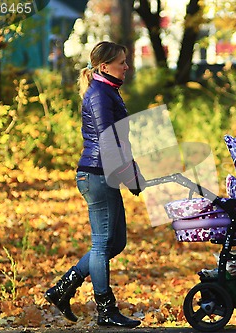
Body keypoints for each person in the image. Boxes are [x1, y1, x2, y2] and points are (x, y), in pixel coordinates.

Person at [44, 41, 144, 328]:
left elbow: (119, 141)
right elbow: (107, 139)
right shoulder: (99, 94)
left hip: (105, 173)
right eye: (121, 62)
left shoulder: (107, 90)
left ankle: (63, 288)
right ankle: (105, 309)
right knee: (102, 244)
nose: (126, 66)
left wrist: (131, 172)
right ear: (104, 67)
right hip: (97, 174)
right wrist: (129, 174)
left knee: (116, 242)